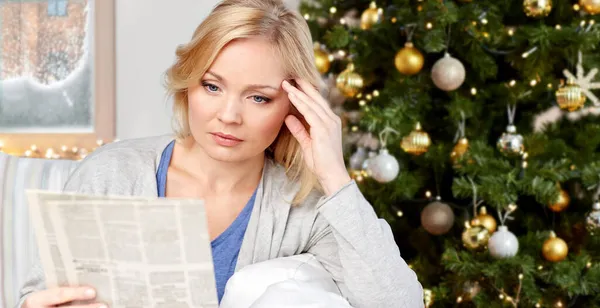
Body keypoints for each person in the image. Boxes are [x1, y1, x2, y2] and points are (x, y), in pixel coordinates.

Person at [17, 0, 424, 307]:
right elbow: (40, 295)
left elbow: (398, 303)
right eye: (212, 86)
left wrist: (335, 176)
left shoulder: (304, 208)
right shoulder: (110, 176)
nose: (228, 116)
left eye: (259, 98)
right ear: (188, 84)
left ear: (294, 106)